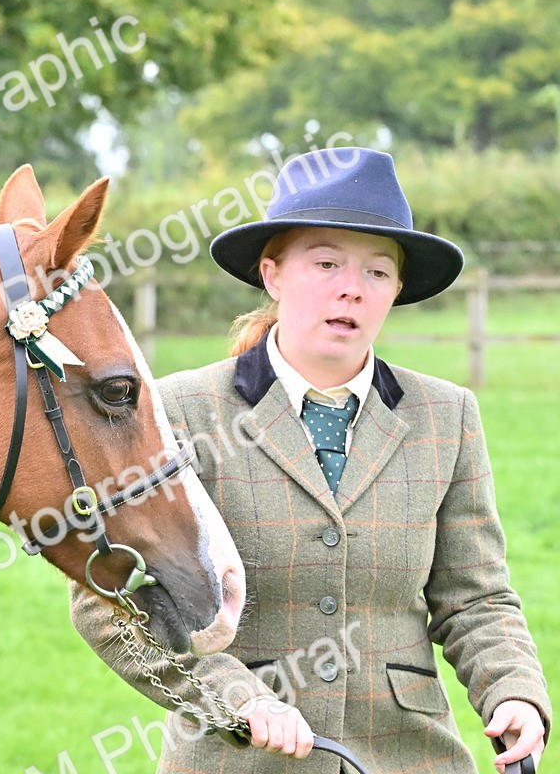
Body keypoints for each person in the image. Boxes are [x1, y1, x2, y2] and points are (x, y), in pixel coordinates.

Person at [70, 148, 551, 773]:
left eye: (378, 272)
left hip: (409, 759)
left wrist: (513, 689)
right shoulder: (179, 411)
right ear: (272, 275)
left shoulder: (447, 416)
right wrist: (236, 699)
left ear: (397, 289)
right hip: (237, 761)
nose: (352, 288)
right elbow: (111, 600)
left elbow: (475, 599)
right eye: (326, 263)